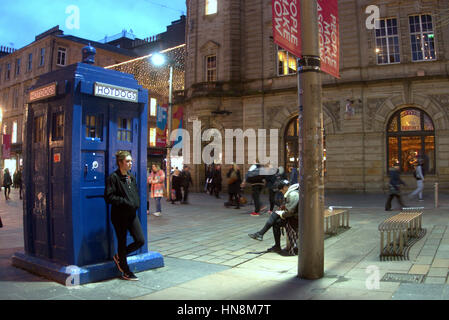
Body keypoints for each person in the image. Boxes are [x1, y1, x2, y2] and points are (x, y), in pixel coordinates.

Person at [104, 151, 144, 281]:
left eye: (131, 161)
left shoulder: (131, 177)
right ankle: (126, 271)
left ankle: (119, 257)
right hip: (119, 216)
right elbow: (109, 197)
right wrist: (125, 202)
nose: (130, 163)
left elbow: (134, 194)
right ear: (120, 162)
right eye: (127, 161)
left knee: (140, 240)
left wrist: (136, 203)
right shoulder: (113, 178)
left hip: (132, 214)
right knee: (121, 242)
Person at [248, 180, 299, 253]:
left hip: (295, 219)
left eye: (281, 191)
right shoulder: (293, 192)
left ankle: (260, 233)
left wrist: (281, 213)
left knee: (276, 214)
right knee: (276, 222)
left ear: (284, 188)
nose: (281, 192)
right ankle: (276, 246)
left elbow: (290, 212)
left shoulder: (293, 194)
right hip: (294, 217)